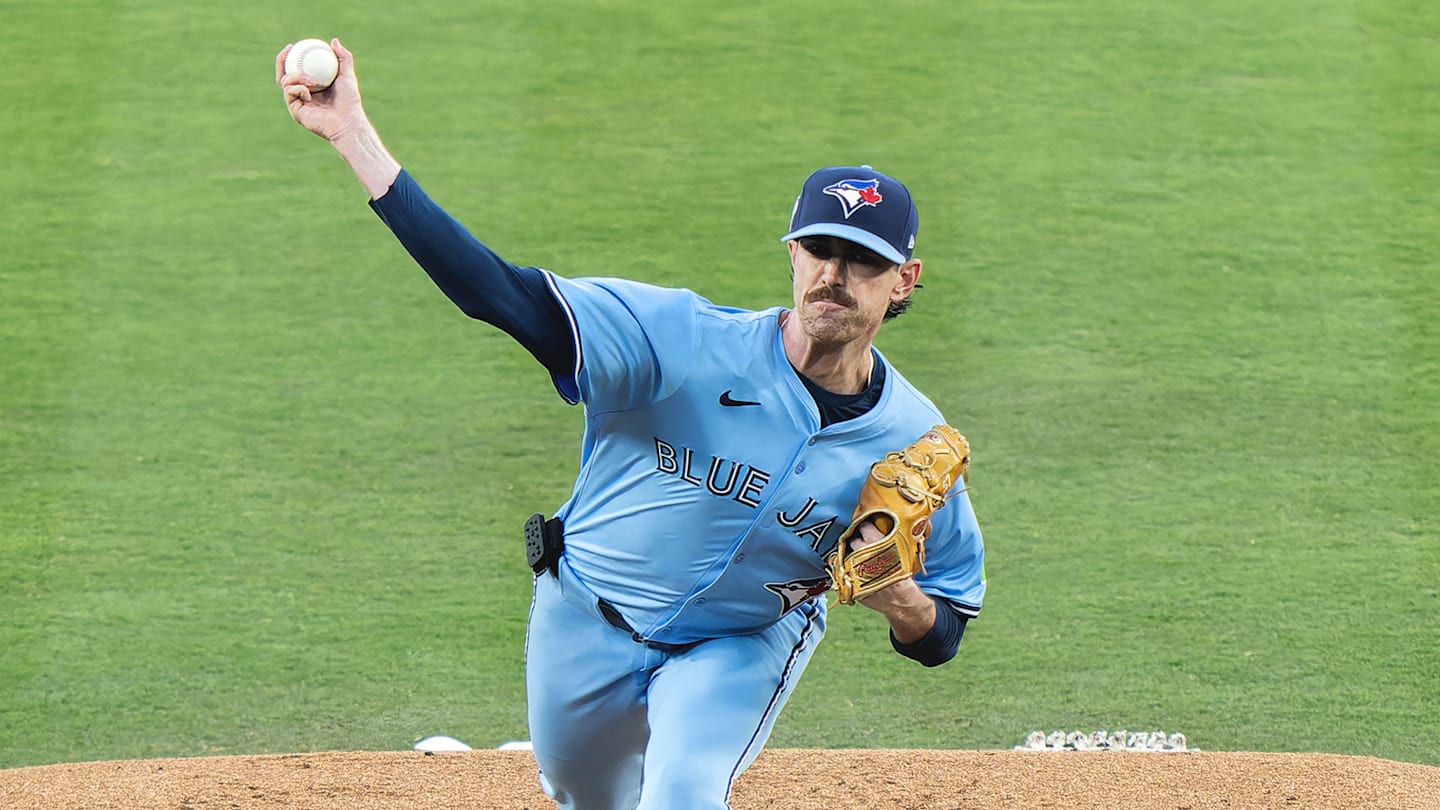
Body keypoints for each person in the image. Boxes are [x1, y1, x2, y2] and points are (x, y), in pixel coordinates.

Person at [276, 39, 986, 810]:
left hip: (741, 643)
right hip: (583, 618)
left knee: (682, 793)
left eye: (862, 260)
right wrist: (353, 134)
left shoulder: (912, 441)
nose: (833, 276)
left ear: (903, 280)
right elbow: (497, 294)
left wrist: (900, 600)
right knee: (589, 795)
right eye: (820, 249)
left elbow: (944, 627)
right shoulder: (679, 342)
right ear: (792, 252)